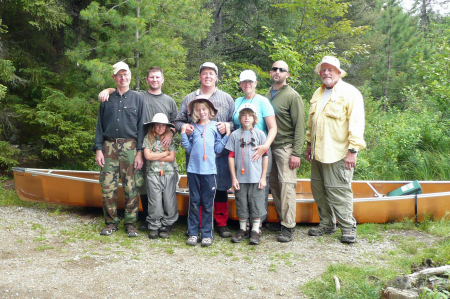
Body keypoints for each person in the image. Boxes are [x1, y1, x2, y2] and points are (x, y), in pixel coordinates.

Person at [98, 67, 178, 231]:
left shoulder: (169, 100)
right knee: (143, 185)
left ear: (163, 79)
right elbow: (120, 90)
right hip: (139, 145)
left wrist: (171, 131)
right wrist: (107, 90)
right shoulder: (140, 96)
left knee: (162, 185)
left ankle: (164, 222)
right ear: (147, 79)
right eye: (151, 77)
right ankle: (147, 220)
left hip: (154, 147)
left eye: (157, 77)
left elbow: (178, 121)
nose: (154, 80)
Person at [305, 56, 366, 243]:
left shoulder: (350, 93)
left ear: (339, 72)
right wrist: (308, 144)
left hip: (338, 153)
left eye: (331, 69)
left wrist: (352, 151)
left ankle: (348, 228)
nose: (326, 73)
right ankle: (327, 224)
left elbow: (357, 123)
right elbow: (311, 123)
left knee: (339, 190)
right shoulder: (318, 93)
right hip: (317, 152)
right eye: (323, 69)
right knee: (319, 189)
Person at [175, 62, 235, 238]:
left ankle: (221, 222)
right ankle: (198, 223)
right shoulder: (189, 98)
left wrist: (227, 125)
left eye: (211, 73)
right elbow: (178, 121)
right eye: (204, 73)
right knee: (198, 190)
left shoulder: (226, 98)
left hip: (220, 150)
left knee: (221, 187)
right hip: (196, 151)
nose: (208, 76)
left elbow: (234, 122)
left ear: (216, 77)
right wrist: (185, 127)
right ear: (199, 77)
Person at [93, 61, 146, 237]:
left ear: (130, 76)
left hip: (130, 147)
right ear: (114, 78)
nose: (123, 78)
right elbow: (99, 127)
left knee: (131, 187)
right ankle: (110, 222)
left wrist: (140, 152)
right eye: (119, 75)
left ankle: (131, 223)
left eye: (125, 74)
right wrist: (98, 149)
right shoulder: (106, 99)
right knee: (108, 187)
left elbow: (141, 128)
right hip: (108, 147)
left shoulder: (138, 99)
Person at [181, 96, 230, 247]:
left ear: (210, 111)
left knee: (208, 203)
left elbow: (217, 149)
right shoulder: (193, 128)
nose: (201, 112)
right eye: (198, 109)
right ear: (195, 112)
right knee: (194, 202)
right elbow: (188, 148)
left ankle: (207, 233)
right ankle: (193, 232)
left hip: (209, 171)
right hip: (193, 170)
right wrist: (183, 133)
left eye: (204, 109)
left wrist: (227, 135)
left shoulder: (215, 127)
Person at [265, 61, 305, 243]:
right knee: (275, 185)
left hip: (285, 147)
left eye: (282, 70)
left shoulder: (292, 96)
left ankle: (289, 226)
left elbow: (300, 127)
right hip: (269, 147)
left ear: (287, 74)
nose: (277, 72)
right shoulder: (267, 95)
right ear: (270, 72)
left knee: (287, 185)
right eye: (274, 69)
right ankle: (282, 220)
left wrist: (296, 152)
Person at [233, 69, 277, 232]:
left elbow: (272, 127)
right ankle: (245, 223)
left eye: (250, 82)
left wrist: (266, 145)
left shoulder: (263, 101)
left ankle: (258, 223)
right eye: (244, 82)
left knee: (260, 184)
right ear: (240, 84)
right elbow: (234, 125)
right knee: (243, 184)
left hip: (260, 148)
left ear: (255, 83)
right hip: (240, 149)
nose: (247, 84)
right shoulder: (237, 101)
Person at [226, 104, 268, 245]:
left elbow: (265, 156)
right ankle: (243, 229)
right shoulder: (235, 135)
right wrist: (233, 177)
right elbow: (231, 156)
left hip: (256, 178)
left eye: (250, 115)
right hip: (240, 178)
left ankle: (255, 231)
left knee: (256, 203)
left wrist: (263, 177)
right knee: (241, 202)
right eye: (244, 115)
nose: (247, 118)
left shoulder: (260, 134)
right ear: (240, 118)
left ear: (254, 118)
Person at [143, 113, 178, 239]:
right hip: (152, 173)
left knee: (169, 200)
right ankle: (154, 225)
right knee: (155, 201)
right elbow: (148, 156)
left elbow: (172, 157)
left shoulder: (168, 140)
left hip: (168, 173)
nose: (160, 128)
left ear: (166, 127)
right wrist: (164, 154)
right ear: (153, 126)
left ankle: (167, 225)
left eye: (163, 125)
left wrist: (156, 155)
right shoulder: (148, 138)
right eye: (157, 125)